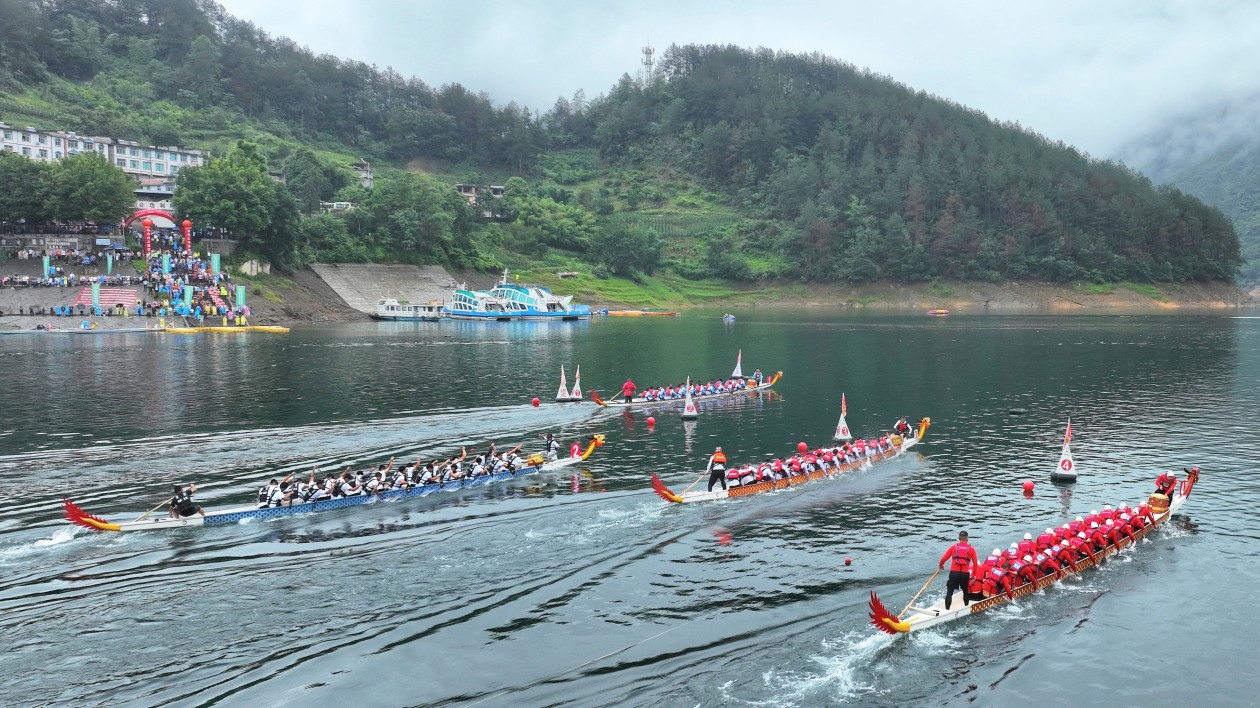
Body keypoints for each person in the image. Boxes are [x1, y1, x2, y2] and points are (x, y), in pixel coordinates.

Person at [939, 531, 979, 610]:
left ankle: (947, 610)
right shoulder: (971, 549)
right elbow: (975, 564)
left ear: (959, 538)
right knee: (965, 592)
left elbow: (943, 558)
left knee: (949, 593)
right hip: (964, 574)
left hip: (954, 573)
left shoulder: (953, 547)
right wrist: (974, 575)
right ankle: (966, 608)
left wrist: (941, 565)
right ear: (967, 538)